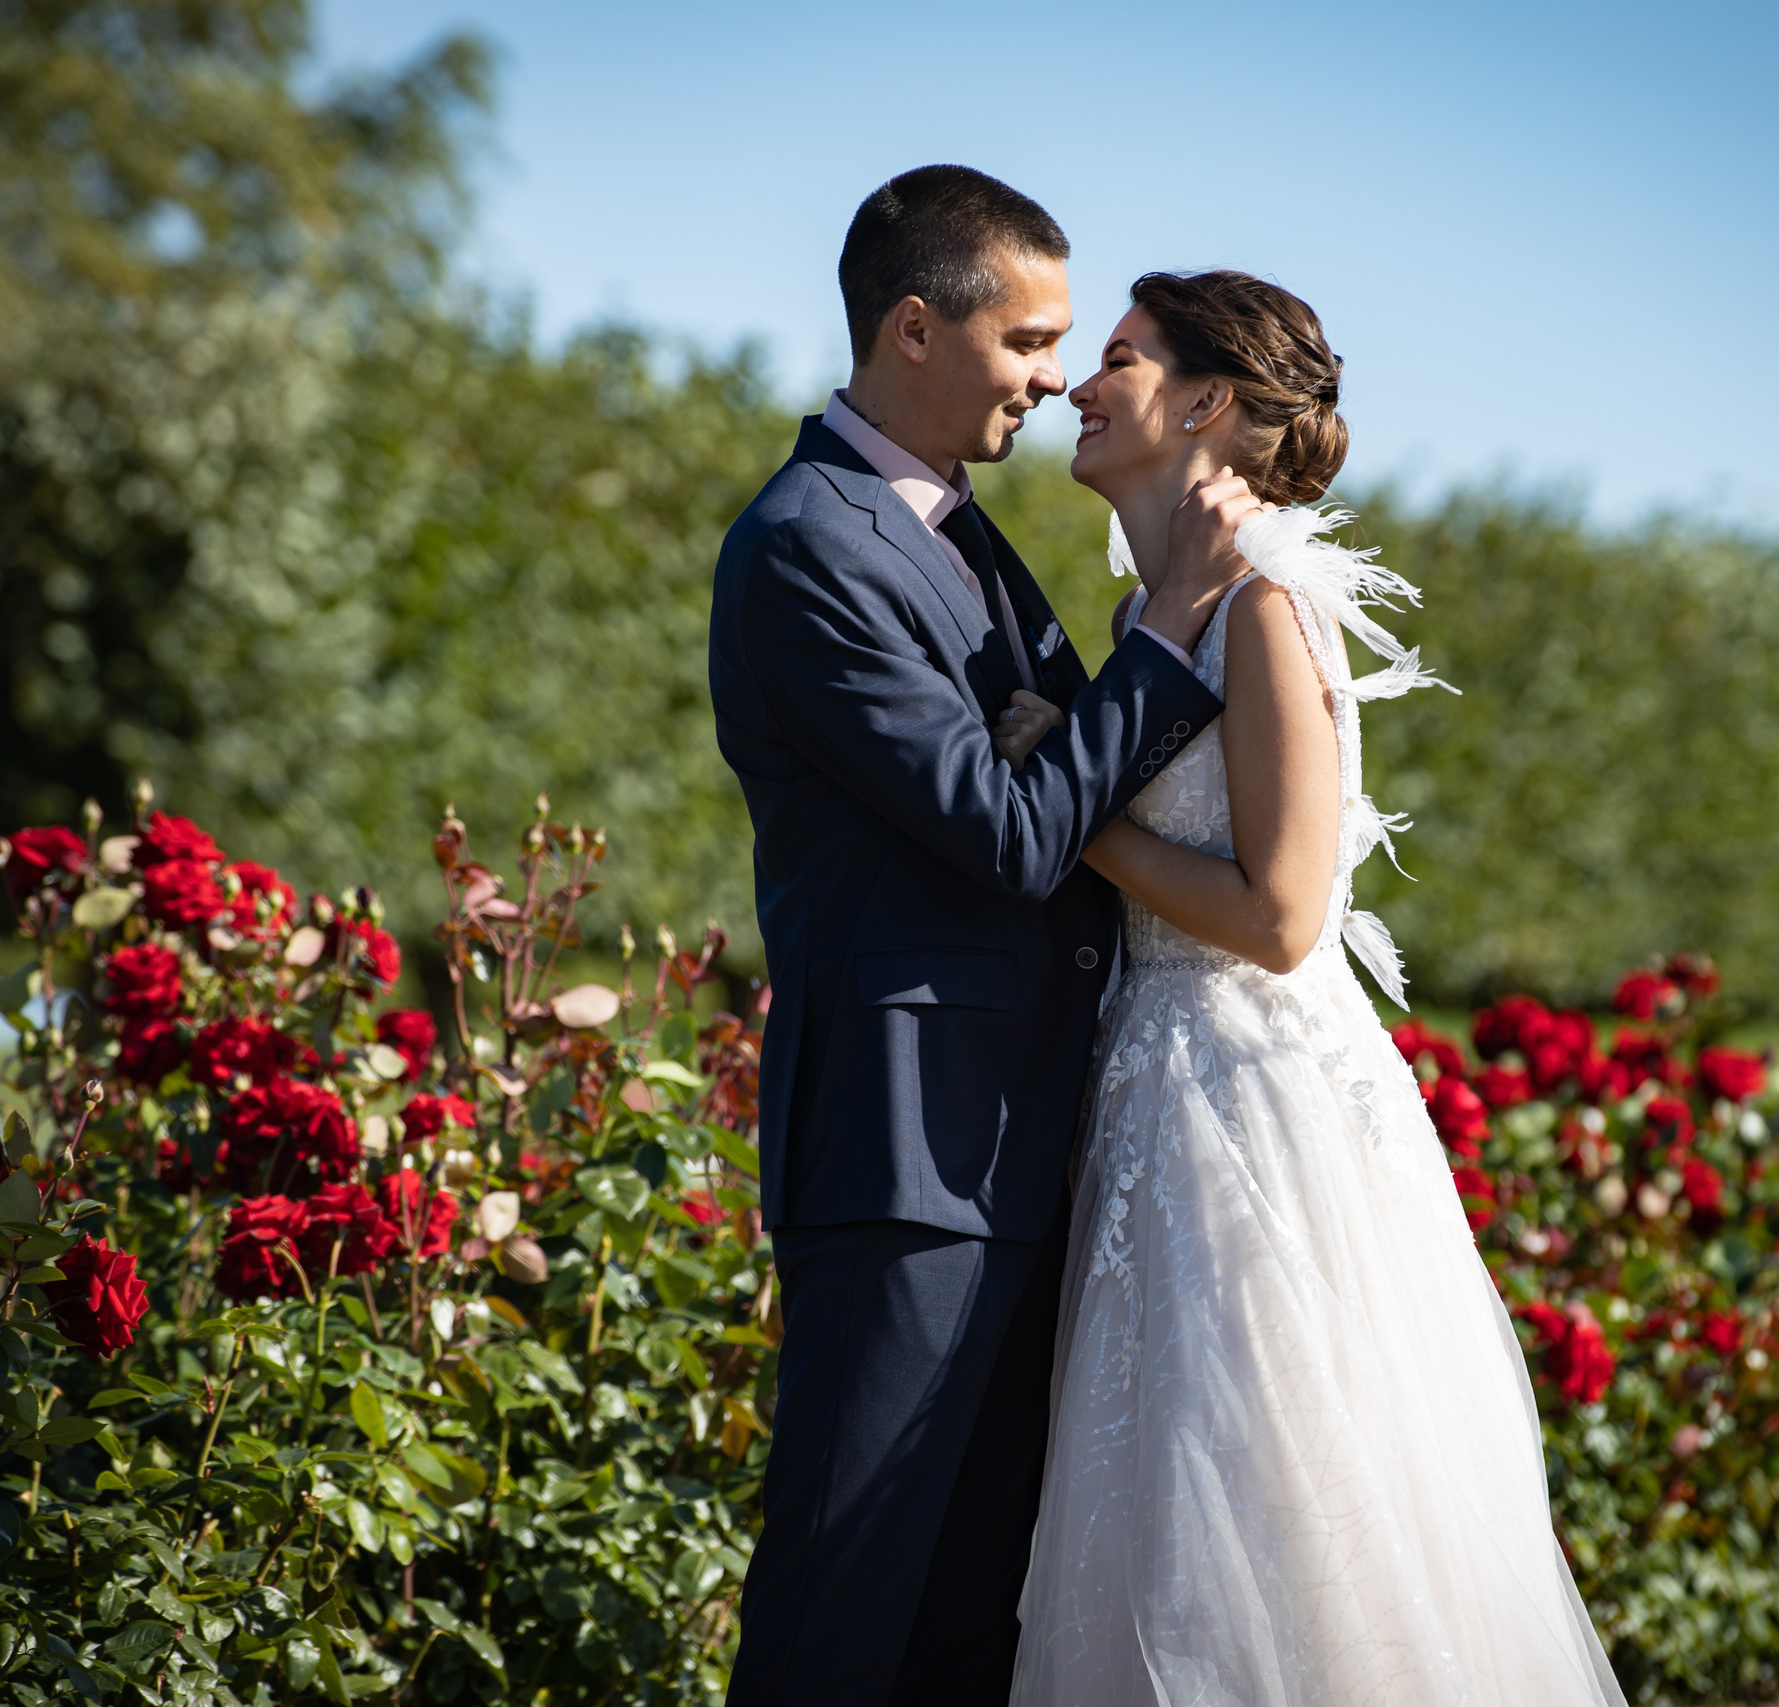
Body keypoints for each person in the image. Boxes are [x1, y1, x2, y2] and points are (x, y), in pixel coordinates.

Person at [1002, 271, 1630, 1706]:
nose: (1079, 388)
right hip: (1152, 1082)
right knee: (1152, 1513)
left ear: (1207, 403)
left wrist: (1069, 811)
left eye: (1118, 360)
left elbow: (1284, 918)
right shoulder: (1156, 609)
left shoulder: (1266, 607)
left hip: (1248, 1108)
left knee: (1272, 1505)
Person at [706, 167, 1260, 1705]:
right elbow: (1014, 835)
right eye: (1028, 340)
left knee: (966, 1623)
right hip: (908, 1161)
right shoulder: (810, 546)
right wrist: (1167, 634)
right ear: (913, 328)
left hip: (1017, 1148)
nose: (1056, 377)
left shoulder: (960, 527)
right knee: (841, 1613)